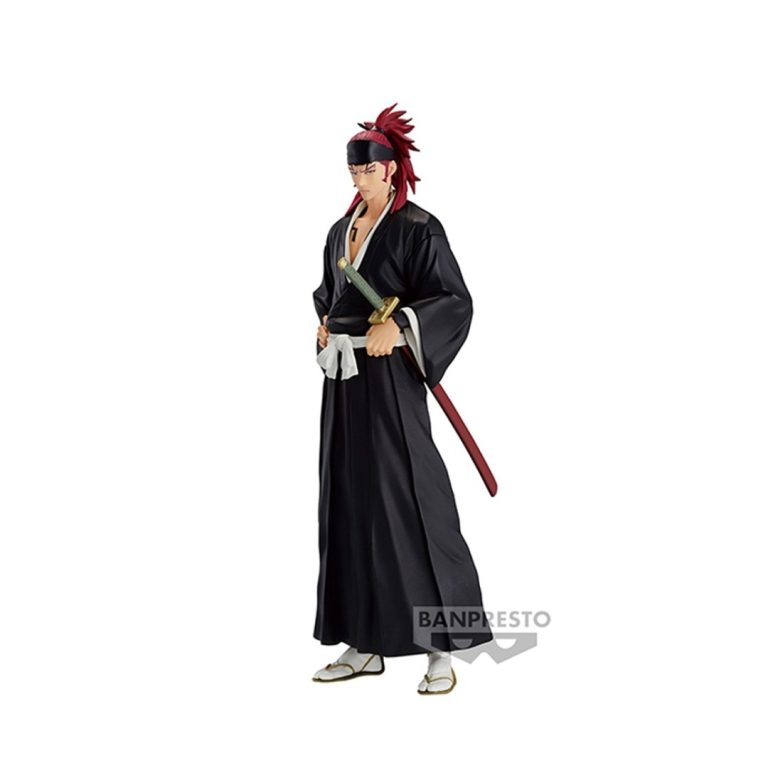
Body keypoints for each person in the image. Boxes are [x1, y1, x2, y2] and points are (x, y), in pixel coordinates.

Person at [311, 103, 493, 695]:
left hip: (390, 377)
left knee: (411, 498)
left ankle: (442, 646)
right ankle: (363, 641)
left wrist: (403, 323)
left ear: (390, 169)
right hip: (344, 379)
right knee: (348, 502)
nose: (359, 179)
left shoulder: (418, 228)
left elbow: (453, 299)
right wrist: (324, 326)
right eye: (353, 171)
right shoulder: (341, 231)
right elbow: (329, 295)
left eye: (368, 170)